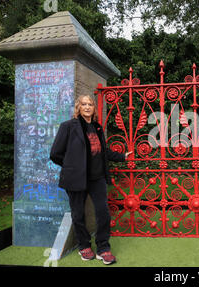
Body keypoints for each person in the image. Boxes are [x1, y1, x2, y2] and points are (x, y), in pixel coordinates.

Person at [50, 94, 131, 265]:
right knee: (78, 214)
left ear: (94, 108)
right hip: (75, 178)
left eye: (90, 104)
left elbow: (104, 152)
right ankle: (84, 245)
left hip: (97, 178)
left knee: (103, 213)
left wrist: (123, 156)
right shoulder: (68, 127)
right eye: (84, 104)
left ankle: (103, 248)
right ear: (78, 107)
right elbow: (55, 153)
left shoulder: (97, 127)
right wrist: (71, 166)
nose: (87, 107)